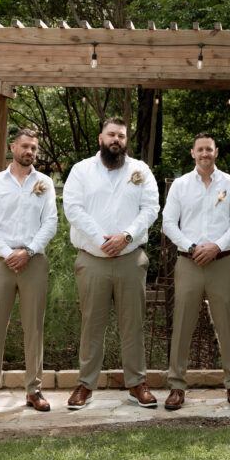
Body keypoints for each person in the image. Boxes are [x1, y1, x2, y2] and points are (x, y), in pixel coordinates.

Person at [63, 117, 160, 410]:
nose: (116, 139)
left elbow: (151, 208)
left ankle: (137, 384)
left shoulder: (140, 171)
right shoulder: (81, 170)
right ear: (100, 138)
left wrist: (126, 236)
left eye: (121, 135)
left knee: (133, 324)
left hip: (131, 258)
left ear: (126, 140)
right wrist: (102, 239)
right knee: (92, 323)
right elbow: (73, 208)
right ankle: (85, 385)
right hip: (93, 258)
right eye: (111, 134)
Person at [0, 128, 57, 414]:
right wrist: (9, 254)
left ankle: (34, 390)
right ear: (13, 147)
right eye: (25, 146)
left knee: (33, 327)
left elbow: (51, 223)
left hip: (34, 261)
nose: (29, 152)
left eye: (33, 148)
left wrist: (29, 251)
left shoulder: (44, 183)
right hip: (2, 262)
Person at [162, 133, 230, 411]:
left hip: (221, 262)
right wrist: (191, 246)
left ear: (216, 152)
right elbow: (168, 223)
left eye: (209, 149)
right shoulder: (181, 186)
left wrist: (217, 246)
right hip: (188, 262)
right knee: (183, 324)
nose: (204, 154)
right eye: (200, 150)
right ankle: (177, 386)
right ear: (192, 153)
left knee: (226, 324)